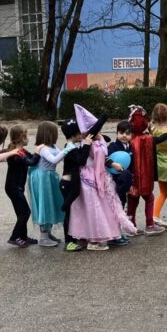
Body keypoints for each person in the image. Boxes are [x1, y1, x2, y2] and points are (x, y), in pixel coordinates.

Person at [69, 105, 135, 251]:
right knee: (93, 208)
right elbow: (86, 159)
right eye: (97, 128)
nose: (99, 130)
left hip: (100, 175)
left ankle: (98, 237)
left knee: (104, 207)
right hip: (89, 178)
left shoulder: (99, 139)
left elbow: (103, 158)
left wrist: (113, 164)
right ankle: (94, 241)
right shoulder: (87, 141)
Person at [31, 121, 73, 246]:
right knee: (44, 204)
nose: (57, 135)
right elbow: (54, 160)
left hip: (50, 177)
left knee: (51, 204)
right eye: (55, 132)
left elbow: (61, 156)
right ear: (49, 133)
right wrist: (67, 149)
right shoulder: (43, 148)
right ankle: (43, 237)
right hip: (43, 178)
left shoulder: (53, 146)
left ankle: (48, 233)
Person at [126, 106, 166, 236]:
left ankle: (131, 227)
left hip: (132, 178)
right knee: (149, 198)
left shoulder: (129, 139)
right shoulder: (148, 139)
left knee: (132, 201)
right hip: (145, 179)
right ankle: (149, 225)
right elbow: (160, 139)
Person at [59, 118, 92, 252]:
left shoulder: (71, 146)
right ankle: (69, 242)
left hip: (70, 183)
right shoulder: (70, 148)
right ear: (74, 133)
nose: (82, 135)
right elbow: (81, 161)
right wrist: (87, 145)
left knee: (71, 212)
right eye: (80, 132)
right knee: (68, 213)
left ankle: (72, 240)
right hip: (67, 184)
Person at [5, 125, 40, 248]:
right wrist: (38, 151)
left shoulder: (22, 151)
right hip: (13, 188)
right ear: (21, 138)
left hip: (16, 187)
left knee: (21, 213)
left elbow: (31, 158)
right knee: (25, 212)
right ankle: (14, 237)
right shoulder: (17, 153)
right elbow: (32, 162)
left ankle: (23, 237)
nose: (28, 138)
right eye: (26, 136)